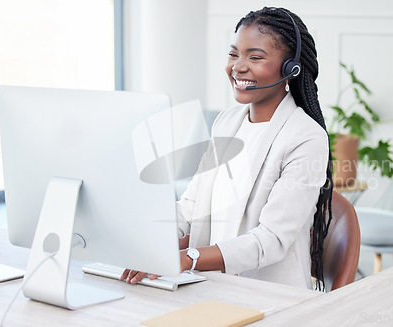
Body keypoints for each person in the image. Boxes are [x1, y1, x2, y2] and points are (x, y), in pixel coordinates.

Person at [121, 6, 333, 290]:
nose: (238, 67)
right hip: (209, 286)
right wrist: (144, 237)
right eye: (234, 54)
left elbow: (270, 240)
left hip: (271, 295)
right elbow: (191, 208)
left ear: (290, 69)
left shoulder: (306, 138)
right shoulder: (227, 121)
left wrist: (187, 258)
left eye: (255, 57)